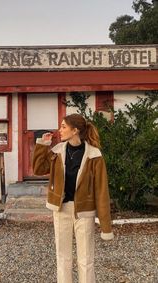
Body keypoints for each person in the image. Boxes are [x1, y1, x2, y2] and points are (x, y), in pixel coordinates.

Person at [32, 113, 114, 283]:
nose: (59, 130)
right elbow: (38, 169)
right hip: (61, 210)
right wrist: (42, 145)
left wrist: (106, 226)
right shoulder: (57, 152)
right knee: (63, 258)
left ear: (75, 130)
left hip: (84, 212)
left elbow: (101, 192)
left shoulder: (94, 155)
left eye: (63, 126)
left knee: (86, 259)